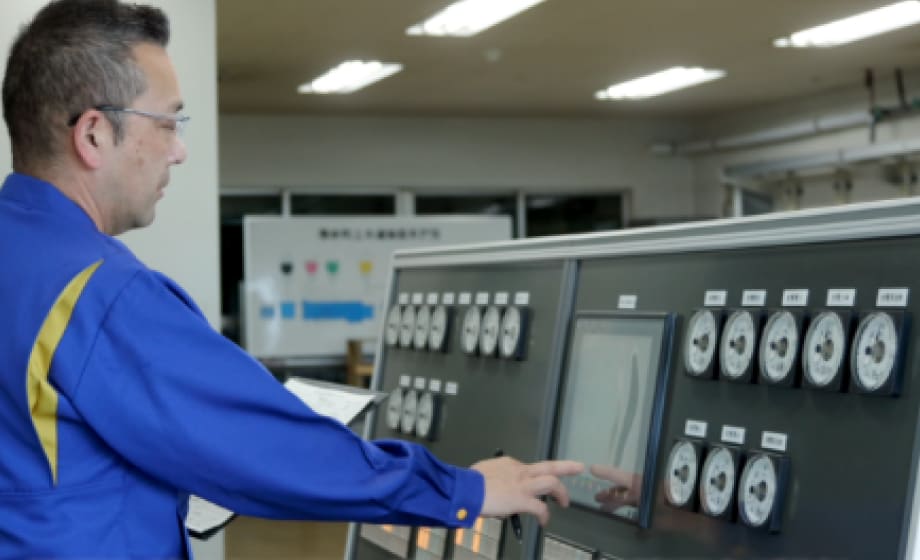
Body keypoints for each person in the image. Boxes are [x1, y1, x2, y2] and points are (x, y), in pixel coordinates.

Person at [0, 0, 583, 556]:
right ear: (94, 135)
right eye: (169, 123)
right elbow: (261, 446)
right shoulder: (98, 293)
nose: (178, 151)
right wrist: (464, 490)